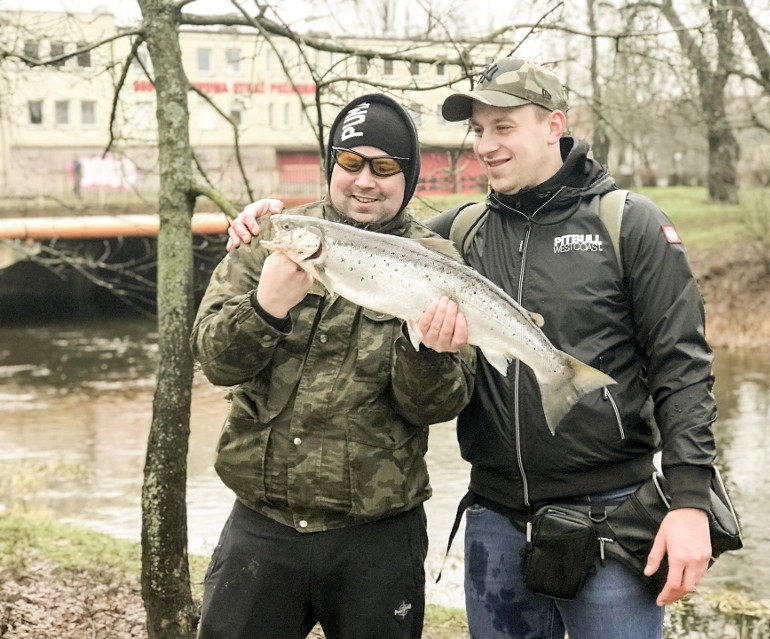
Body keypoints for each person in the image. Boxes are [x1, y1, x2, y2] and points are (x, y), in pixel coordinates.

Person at [227, 58, 719, 639]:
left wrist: (691, 501)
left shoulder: (629, 224)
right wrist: (264, 223)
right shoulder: (457, 233)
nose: (485, 145)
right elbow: (372, 233)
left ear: (553, 125)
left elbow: (683, 368)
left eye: (503, 127)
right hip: (495, 518)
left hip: (612, 515)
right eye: (478, 130)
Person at [191, 93, 476, 639]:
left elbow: (439, 406)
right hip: (262, 525)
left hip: (378, 537)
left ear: (408, 176)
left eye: (385, 167)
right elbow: (213, 361)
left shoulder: (440, 264)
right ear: (330, 166)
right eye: (350, 162)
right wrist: (265, 307)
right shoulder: (272, 238)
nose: (364, 180)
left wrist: (427, 352)